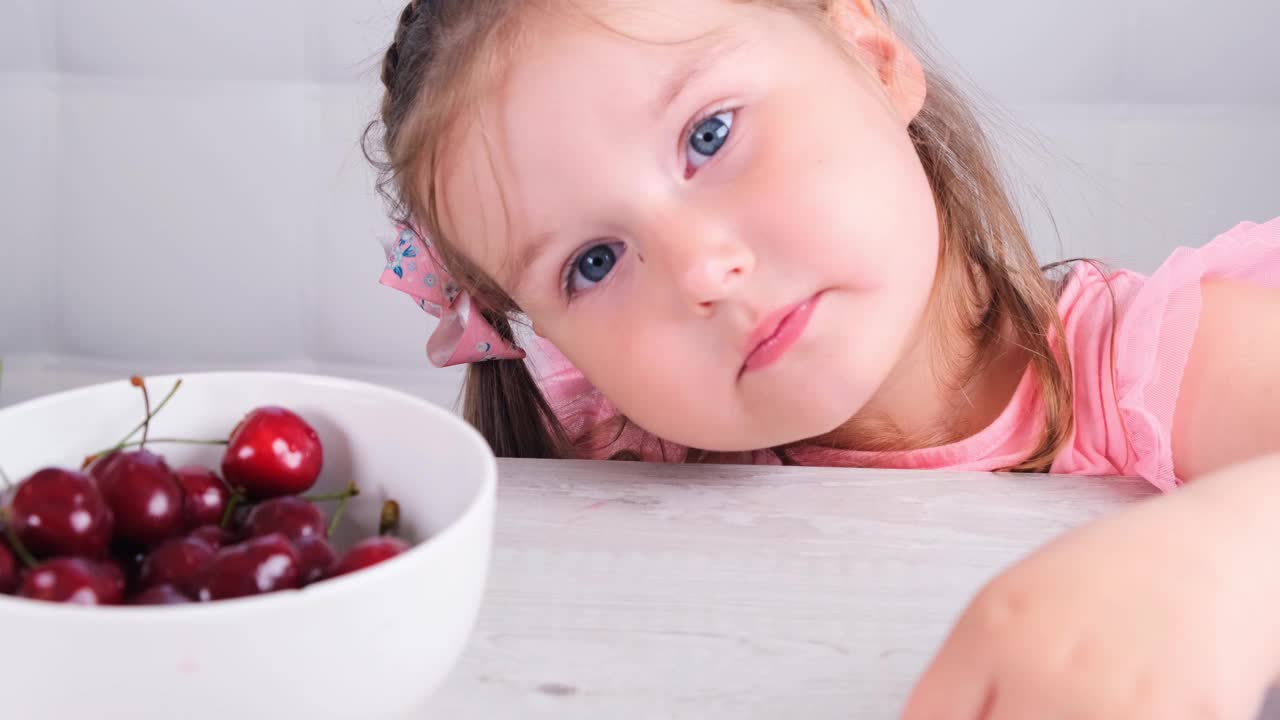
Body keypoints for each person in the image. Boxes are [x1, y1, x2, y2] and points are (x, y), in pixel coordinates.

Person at [366, 1, 1280, 716]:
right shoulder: (603, 465)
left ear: (876, 62)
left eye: (709, 134)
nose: (702, 273)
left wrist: (1219, 558)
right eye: (593, 263)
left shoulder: (1152, 366)